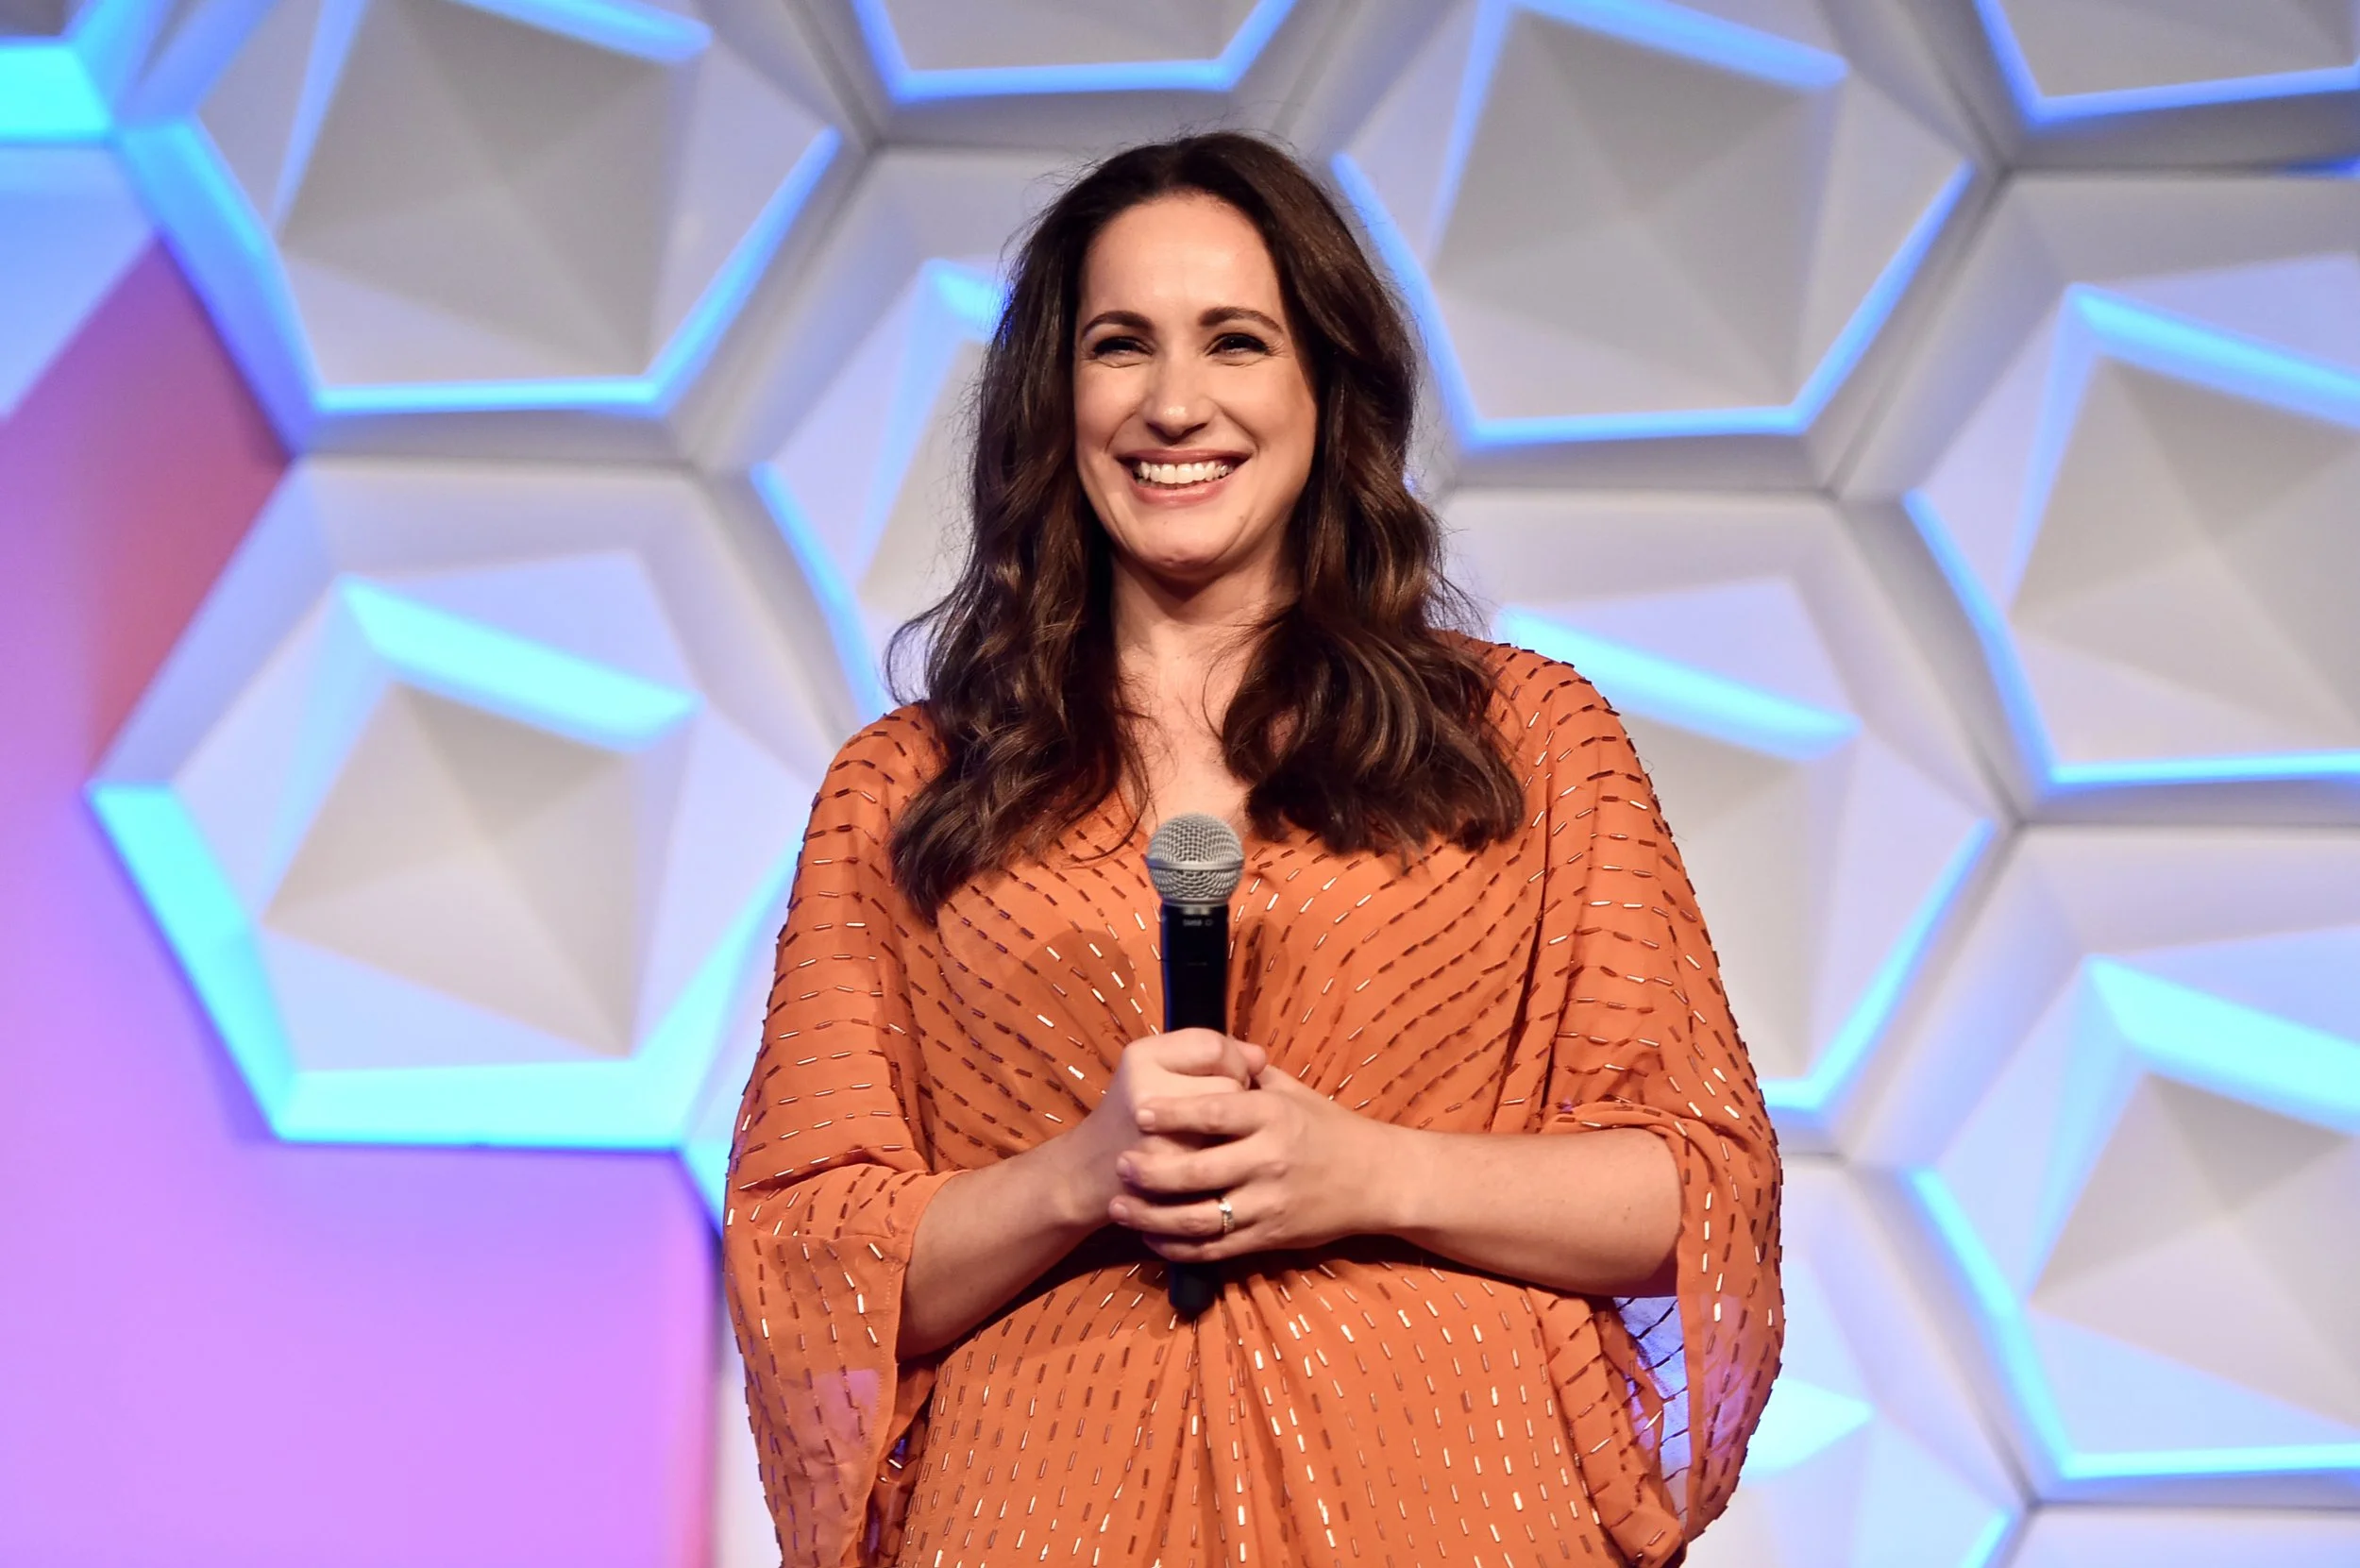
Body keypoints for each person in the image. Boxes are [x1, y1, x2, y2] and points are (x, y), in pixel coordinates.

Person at [724, 131, 1780, 1568]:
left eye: (1235, 342)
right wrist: (1080, 1177)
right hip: (1039, 1514)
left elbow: (1699, 1189)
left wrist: (1365, 1174)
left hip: (1453, 1509)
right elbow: (804, 1263)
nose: (1175, 403)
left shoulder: (1522, 741)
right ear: (1053, 398)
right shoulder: (910, 789)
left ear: (1322, 385)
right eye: (1119, 347)